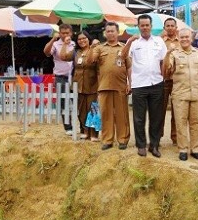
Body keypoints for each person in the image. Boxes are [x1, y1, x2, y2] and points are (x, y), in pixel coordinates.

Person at [122, 14, 168, 157]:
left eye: (147, 25)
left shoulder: (159, 41)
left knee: (156, 117)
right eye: (142, 25)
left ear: (151, 26)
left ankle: (153, 146)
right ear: (138, 27)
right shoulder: (134, 43)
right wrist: (129, 41)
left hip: (156, 83)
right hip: (139, 85)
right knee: (139, 117)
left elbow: (164, 61)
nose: (145, 27)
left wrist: (164, 77)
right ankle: (141, 145)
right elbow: (123, 57)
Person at [165, 27, 198, 160]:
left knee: (196, 122)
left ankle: (195, 148)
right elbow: (168, 69)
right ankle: (183, 149)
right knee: (181, 122)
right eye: (182, 37)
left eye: (187, 37)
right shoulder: (174, 54)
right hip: (180, 94)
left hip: (197, 93)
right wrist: (168, 54)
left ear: (191, 38)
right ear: (178, 38)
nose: (184, 39)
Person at [92, 22, 130, 150]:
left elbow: (129, 67)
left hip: (120, 86)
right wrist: (93, 47)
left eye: (112, 31)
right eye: (108, 31)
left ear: (117, 32)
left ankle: (123, 139)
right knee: (106, 113)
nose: (110, 33)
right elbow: (91, 60)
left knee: (122, 113)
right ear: (105, 33)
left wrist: (130, 83)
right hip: (104, 85)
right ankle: (107, 140)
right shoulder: (100, 48)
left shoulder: (124, 47)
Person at [63, 30, 100, 141]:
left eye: (84, 38)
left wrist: (94, 47)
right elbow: (63, 56)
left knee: (93, 110)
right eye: (79, 39)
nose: (82, 40)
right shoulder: (76, 52)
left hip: (92, 85)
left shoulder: (95, 50)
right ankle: (85, 132)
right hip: (78, 86)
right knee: (81, 111)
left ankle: (94, 134)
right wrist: (65, 44)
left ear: (89, 39)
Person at [43, 24, 75, 131]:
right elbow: (46, 52)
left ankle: (83, 127)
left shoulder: (75, 44)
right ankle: (68, 127)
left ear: (71, 33)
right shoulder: (56, 44)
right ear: (59, 33)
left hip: (75, 77)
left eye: (67, 33)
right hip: (61, 77)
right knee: (63, 103)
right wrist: (53, 39)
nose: (65, 35)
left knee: (78, 102)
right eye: (63, 33)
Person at [160, 17, 180, 146]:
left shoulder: (182, 41)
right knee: (159, 110)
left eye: (172, 25)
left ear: (176, 27)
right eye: (168, 26)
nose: (170, 28)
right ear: (164, 28)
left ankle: (175, 137)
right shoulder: (159, 42)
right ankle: (157, 136)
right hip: (162, 80)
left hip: (177, 80)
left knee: (177, 110)